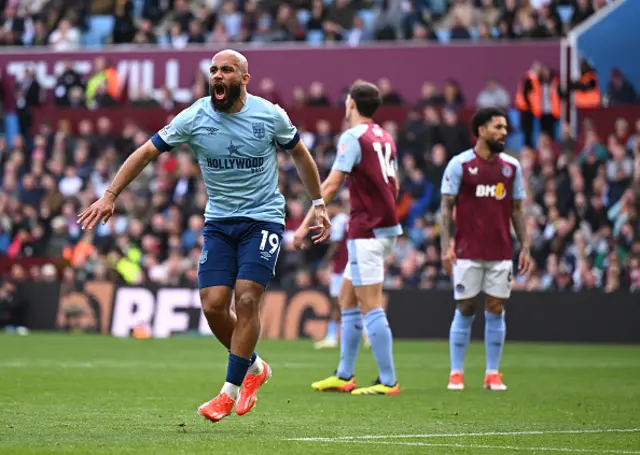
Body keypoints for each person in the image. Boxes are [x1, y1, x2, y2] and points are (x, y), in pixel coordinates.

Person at [77, 49, 331, 422]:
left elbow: (302, 156)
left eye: (226, 70)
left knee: (246, 299)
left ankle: (228, 392)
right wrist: (111, 194)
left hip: (263, 220)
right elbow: (146, 152)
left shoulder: (269, 114)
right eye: (213, 70)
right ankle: (255, 368)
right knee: (213, 305)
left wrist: (319, 203)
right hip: (219, 223)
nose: (217, 76)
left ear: (244, 78)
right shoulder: (194, 116)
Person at [295, 80, 402, 396]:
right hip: (381, 227)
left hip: (367, 230)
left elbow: (329, 186)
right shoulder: (385, 137)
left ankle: (388, 381)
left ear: (351, 103)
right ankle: (344, 374)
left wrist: (303, 227)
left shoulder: (353, 137)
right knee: (346, 297)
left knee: (370, 304)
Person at [438, 107, 532, 392]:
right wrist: (446, 245)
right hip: (467, 251)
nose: (503, 132)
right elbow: (446, 208)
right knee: (465, 307)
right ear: (481, 130)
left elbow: (517, 209)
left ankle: (492, 373)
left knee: (496, 307)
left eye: (505, 128)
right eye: (498, 127)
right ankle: (456, 372)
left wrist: (525, 246)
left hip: (501, 251)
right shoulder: (460, 165)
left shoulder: (511, 168)